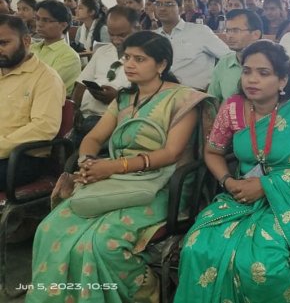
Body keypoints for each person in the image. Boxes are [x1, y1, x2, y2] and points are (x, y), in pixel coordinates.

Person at [28, 31, 213, 303]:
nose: (129, 64)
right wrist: (88, 162)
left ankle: (145, 291)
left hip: (162, 185)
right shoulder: (125, 98)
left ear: (161, 65)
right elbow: (93, 138)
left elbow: (171, 153)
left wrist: (114, 166)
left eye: (140, 59)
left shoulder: (185, 100)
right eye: (126, 57)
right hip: (113, 179)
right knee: (49, 229)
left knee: (102, 244)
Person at [174, 39, 290, 302]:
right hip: (240, 193)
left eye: (263, 73)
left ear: (282, 81)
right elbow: (212, 152)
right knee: (196, 246)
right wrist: (226, 180)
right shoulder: (233, 107)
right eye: (247, 71)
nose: (251, 79)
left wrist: (266, 186)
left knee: (263, 265)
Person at [0, 15, 65, 191]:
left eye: (4, 43)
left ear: (26, 40)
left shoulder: (45, 78)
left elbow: (44, 127)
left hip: (22, 158)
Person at [72, 6, 138, 143]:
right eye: (111, 34)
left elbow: (145, 98)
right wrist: (74, 109)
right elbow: (81, 83)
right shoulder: (103, 51)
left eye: (122, 35)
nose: (116, 40)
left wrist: (117, 99)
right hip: (85, 116)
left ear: (137, 28)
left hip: (115, 120)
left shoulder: (143, 57)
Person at [154, 0, 231, 90]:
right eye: (158, 4)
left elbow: (229, 57)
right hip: (160, 95)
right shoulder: (154, 37)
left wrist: (217, 86)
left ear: (181, 9)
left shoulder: (199, 31)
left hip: (195, 95)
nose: (162, 8)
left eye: (169, 4)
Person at [208, 9, 262, 102]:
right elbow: (212, 100)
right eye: (228, 30)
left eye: (236, 30)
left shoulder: (270, 64)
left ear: (255, 34)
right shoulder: (224, 62)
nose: (229, 36)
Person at [31, 0, 81, 95]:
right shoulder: (31, 48)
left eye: (46, 20)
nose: (39, 24)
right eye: (37, 19)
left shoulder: (69, 56)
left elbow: (43, 85)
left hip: (50, 104)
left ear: (63, 25)